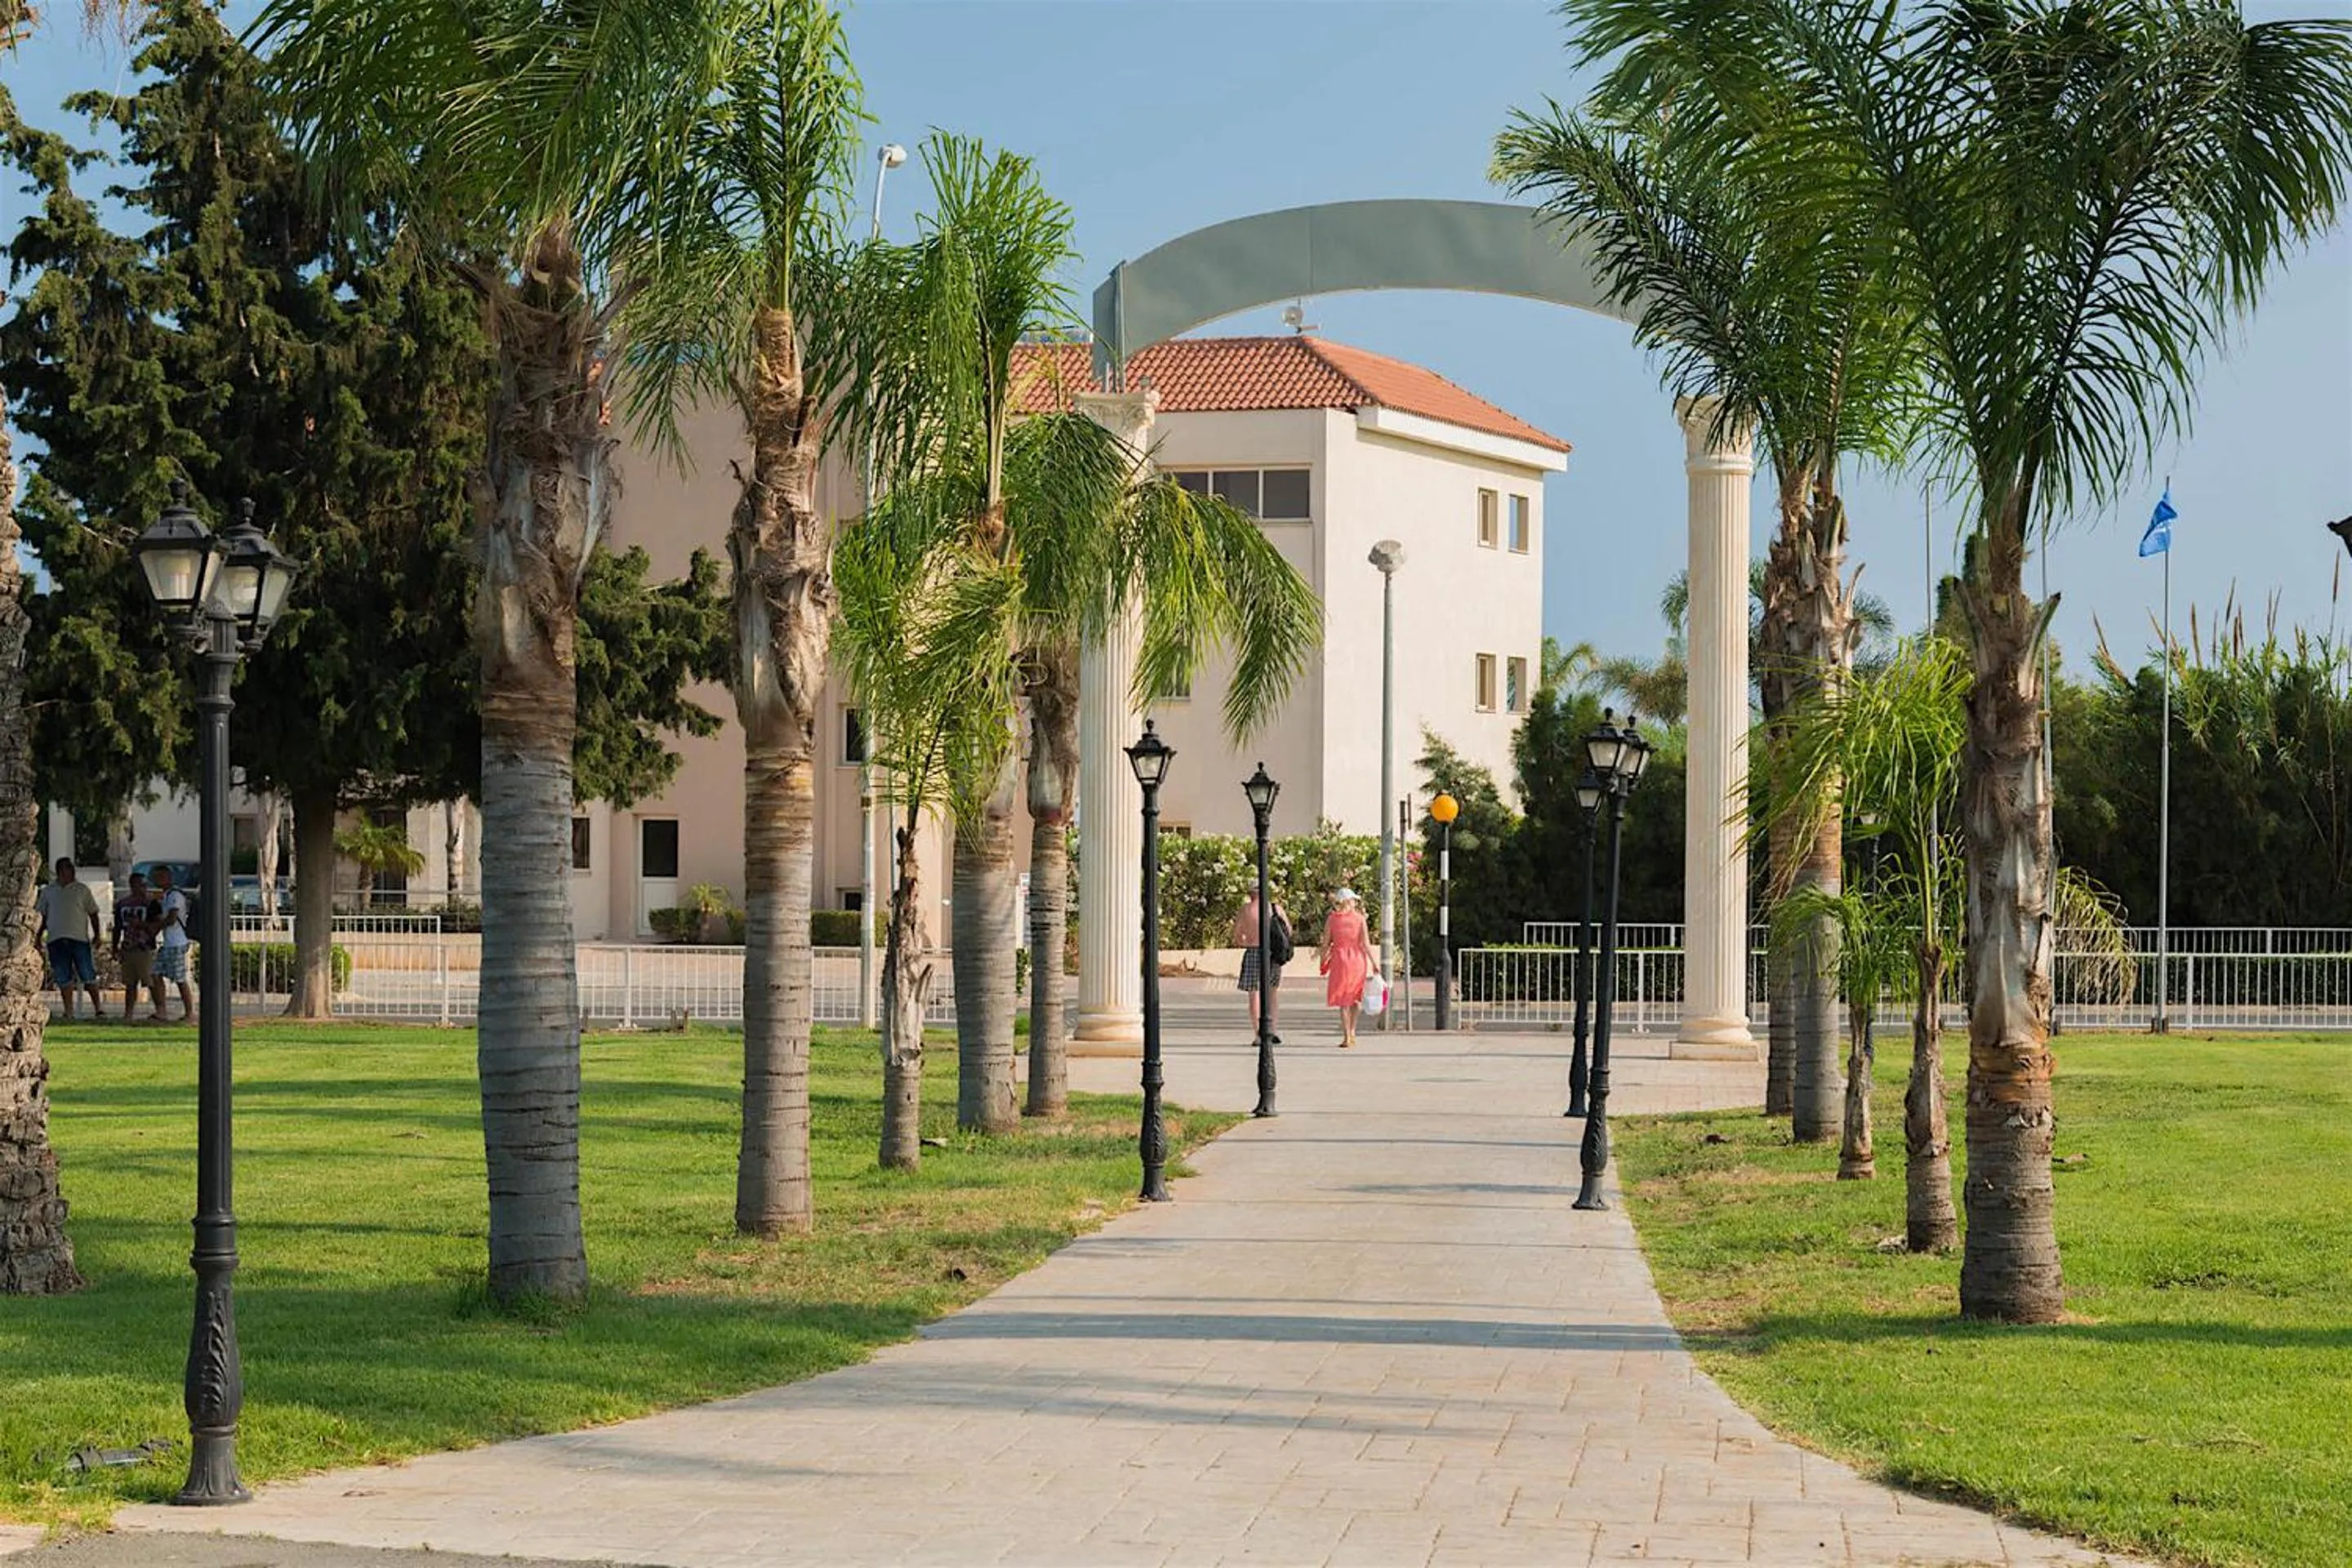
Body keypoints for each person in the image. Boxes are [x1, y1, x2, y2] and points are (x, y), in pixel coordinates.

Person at [35, 858, 105, 1022]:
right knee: (63, 977)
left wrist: (97, 935)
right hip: (56, 939)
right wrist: (37, 937)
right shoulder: (48, 891)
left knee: (88, 975)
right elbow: (42, 916)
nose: (71, 873)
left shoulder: (82, 890)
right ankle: (69, 1012)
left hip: (79, 939)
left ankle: (99, 1009)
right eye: (68, 870)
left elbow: (93, 913)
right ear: (60, 872)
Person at [1319, 886, 1377, 1048]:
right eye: (1353, 900)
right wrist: (1374, 963)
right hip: (1358, 960)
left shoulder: (1332, 919)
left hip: (1339, 959)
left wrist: (1323, 961)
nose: (1354, 903)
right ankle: (1352, 1031)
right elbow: (1366, 943)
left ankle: (1347, 1036)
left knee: (1343, 999)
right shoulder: (1360, 919)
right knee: (1355, 998)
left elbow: (1325, 944)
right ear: (1348, 901)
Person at [1232, 890, 1290, 1042]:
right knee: (1272, 993)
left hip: (1253, 951)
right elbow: (1288, 930)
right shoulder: (1276, 908)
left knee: (1254, 994)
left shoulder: (1246, 910)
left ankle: (1258, 1033)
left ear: (1251, 893)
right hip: (1273, 953)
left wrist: (1247, 941)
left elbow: (1238, 936)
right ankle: (1272, 1029)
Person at [113, 872, 164, 1023]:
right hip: (128, 947)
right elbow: (117, 927)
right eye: (140, 885)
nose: (143, 888)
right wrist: (115, 947)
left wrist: (142, 926)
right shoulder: (122, 904)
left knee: (150, 981)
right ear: (132, 885)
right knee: (130, 983)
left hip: (145, 947)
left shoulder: (151, 904)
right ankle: (128, 1014)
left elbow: (158, 924)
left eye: (144, 885)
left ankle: (160, 1010)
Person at [151, 863, 196, 1023]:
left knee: (180, 978)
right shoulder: (166, 896)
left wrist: (156, 927)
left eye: (160, 877)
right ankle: (161, 1011)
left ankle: (190, 1012)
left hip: (177, 942)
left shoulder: (175, 896)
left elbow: (172, 918)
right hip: (168, 943)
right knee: (155, 974)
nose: (156, 880)